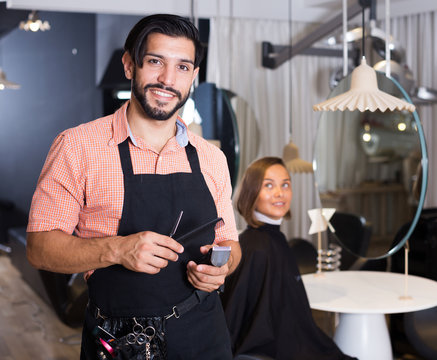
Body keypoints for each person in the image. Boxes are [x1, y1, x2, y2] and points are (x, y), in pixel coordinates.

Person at [26, 14, 241, 360]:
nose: (168, 79)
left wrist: (221, 269)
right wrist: (117, 250)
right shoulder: (78, 147)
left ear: (194, 77)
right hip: (118, 340)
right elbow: (39, 248)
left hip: (204, 333)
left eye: (183, 67)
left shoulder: (211, 158)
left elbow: (230, 242)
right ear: (130, 65)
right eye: (155, 61)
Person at [220, 157, 356, 360]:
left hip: (295, 343)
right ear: (251, 193)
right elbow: (240, 321)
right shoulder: (257, 249)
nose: (279, 193)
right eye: (268, 185)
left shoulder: (273, 239)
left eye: (285, 184)